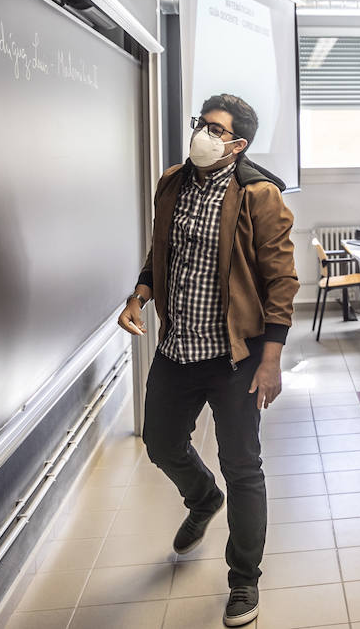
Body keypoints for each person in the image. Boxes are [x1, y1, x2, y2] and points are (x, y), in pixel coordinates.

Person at [117, 94, 297, 627]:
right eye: (201, 123)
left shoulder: (259, 196)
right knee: (160, 443)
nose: (203, 133)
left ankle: (244, 580)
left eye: (215, 129)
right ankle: (201, 498)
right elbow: (161, 248)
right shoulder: (172, 181)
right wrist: (141, 291)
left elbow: (281, 281)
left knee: (243, 467)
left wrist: (271, 359)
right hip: (178, 348)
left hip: (235, 356)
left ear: (238, 143)